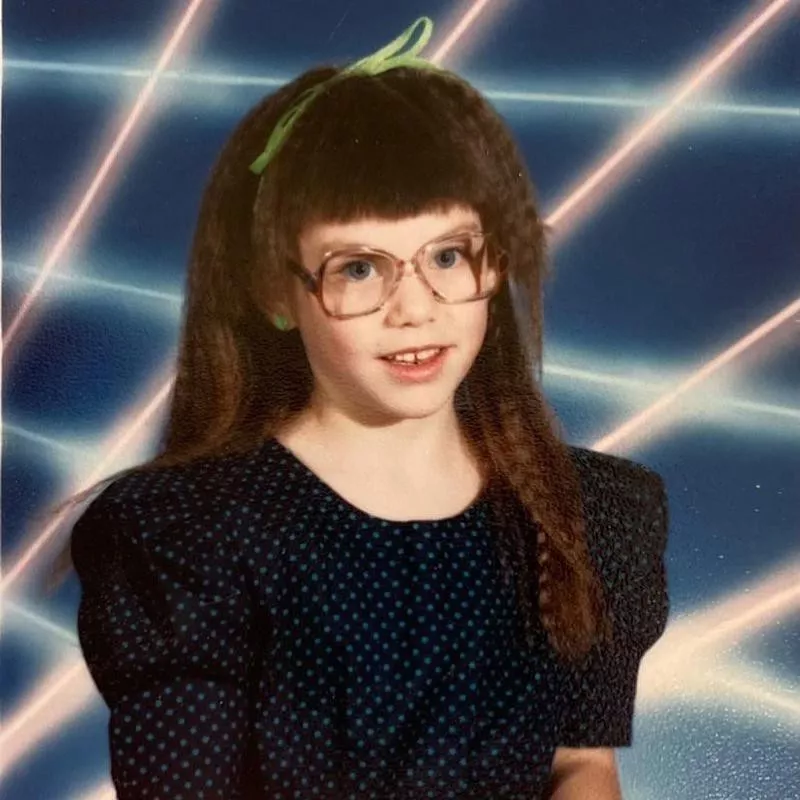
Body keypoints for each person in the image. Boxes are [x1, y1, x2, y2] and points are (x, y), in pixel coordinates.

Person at [54, 16, 670, 800]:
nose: (415, 308)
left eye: (447, 255)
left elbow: (580, 764)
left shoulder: (590, 513)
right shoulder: (187, 534)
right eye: (359, 269)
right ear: (277, 291)